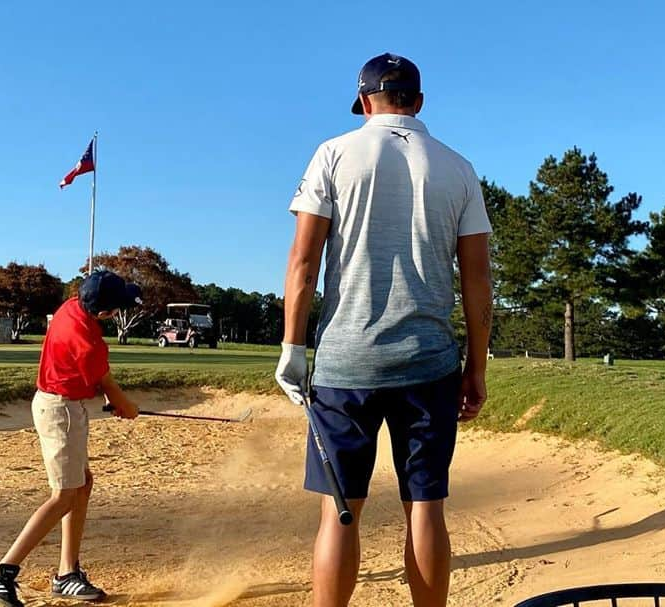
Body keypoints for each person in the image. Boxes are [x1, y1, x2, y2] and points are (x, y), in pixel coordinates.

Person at [275, 52, 493, 607]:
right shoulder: (458, 167)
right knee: (425, 506)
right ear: (417, 102)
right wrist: (476, 368)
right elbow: (477, 282)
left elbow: (302, 265)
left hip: (346, 364)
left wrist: (293, 348)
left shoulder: (333, 154)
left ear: (365, 101)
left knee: (340, 511)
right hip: (430, 363)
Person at [0, 270, 141, 607]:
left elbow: (92, 379)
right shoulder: (88, 338)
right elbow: (108, 385)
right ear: (105, 312)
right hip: (60, 411)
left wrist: (110, 396)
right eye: (117, 307)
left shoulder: (72, 307)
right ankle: (2, 571)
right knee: (65, 494)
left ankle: (67, 574)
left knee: (81, 485)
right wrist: (127, 407)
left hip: (66, 405)